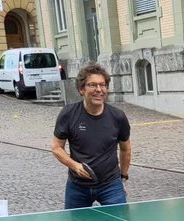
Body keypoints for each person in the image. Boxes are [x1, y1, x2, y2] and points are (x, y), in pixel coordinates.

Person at [51, 62, 131, 209]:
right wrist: (74, 165)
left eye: (103, 85)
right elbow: (56, 147)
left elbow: (125, 149)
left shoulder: (118, 116)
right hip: (77, 187)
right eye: (93, 85)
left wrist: (123, 178)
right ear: (81, 89)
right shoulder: (68, 114)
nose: (99, 90)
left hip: (111, 186)